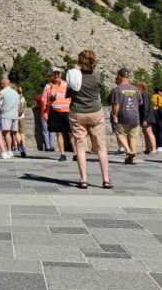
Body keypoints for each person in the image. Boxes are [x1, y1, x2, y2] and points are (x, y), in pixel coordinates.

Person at [65, 50, 112, 189]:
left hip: (77, 112)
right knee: (101, 147)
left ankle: (83, 179)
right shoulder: (98, 77)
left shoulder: (75, 77)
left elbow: (68, 94)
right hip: (95, 112)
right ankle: (106, 179)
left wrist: (75, 70)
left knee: (80, 147)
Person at [110, 69, 141, 165]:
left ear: (119, 76)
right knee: (133, 137)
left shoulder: (117, 89)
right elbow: (140, 102)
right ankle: (133, 158)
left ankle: (128, 151)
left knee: (120, 134)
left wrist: (115, 115)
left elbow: (116, 104)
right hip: (135, 115)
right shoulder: (135, 89)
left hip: (123, 115)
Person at [41, 68, 72, 162]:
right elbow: (44, 100)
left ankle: (76, 153)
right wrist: (45, 112)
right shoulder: (48, 86)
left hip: (67, 111)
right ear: (52, 74)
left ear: (61, 75)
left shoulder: (67, 84)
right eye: (55, 74)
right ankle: (62, 154)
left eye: (58, 74)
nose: (56, 75)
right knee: (58, 133)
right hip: (55, 111)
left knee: (71, 133)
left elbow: (73, 97)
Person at [0, 79, 24, 158]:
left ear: (3, 84)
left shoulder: (3, 92)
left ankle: (9, 151)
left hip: (6, 114)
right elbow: (18, 106)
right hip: (15, 115)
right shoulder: (15, 93)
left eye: (1, 84)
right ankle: (22, 149)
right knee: (16, 132)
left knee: (6, 133)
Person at [136, 82, 157, 155]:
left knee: (149, 132)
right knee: (145, 133)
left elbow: (146, 108)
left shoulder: (144, 95)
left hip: (147, 117)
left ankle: (154, 149)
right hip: (144, 117)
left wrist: (145, 119)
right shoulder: (143, 95)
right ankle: (147, 149)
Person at [15, 85, 27, 156]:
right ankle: (24, 145)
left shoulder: (14, 97)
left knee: (15, 132)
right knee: (22, 133)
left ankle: (16, 146)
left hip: (15, 116)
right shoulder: (22, 98)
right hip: (21, 116)